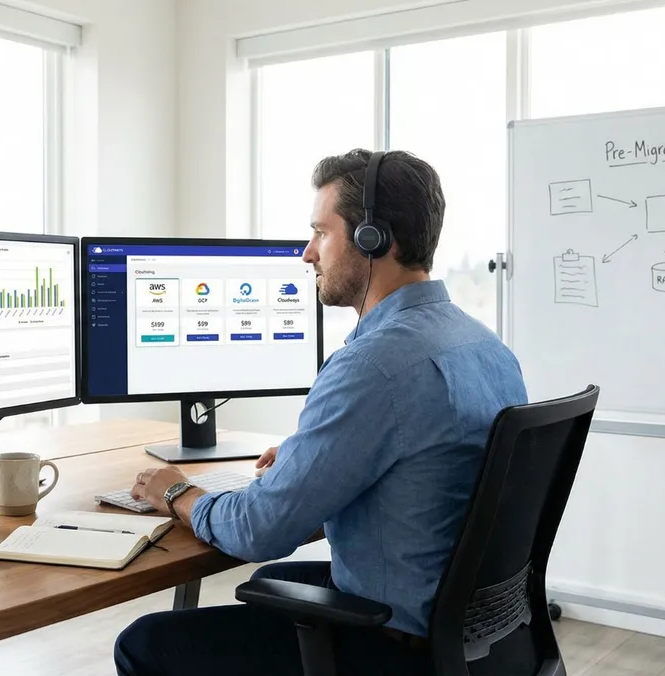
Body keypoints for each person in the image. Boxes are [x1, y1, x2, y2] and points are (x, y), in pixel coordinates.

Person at [114, 149, 528, 676]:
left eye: (320, 232)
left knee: (145, 641)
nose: (308, 253)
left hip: (391, 648)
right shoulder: (485, 345)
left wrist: (176, 491)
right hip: (476, 638)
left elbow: (259, 531)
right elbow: (438, 458)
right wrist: (310, 456)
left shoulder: (374, 366)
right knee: (268, 590)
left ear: (373, 238)